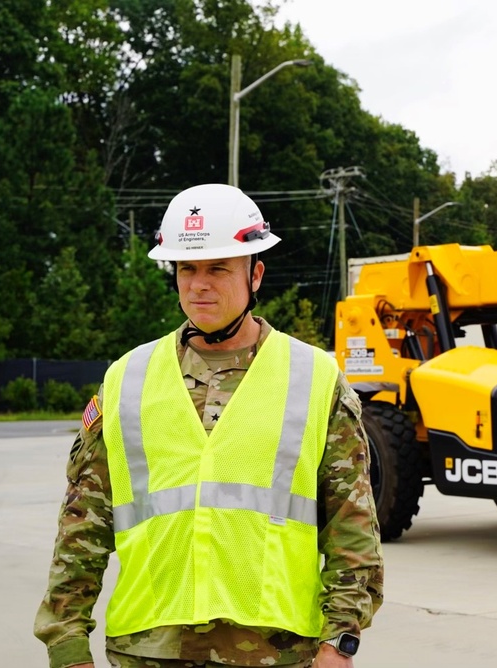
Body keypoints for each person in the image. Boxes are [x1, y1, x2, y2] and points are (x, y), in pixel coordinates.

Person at [34, 184, 383, 668]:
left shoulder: (315, 379)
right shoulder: (127, 378)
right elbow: (82, 523)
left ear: (255, 273)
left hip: (275, 651)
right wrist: (67, 642)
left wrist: (339, 641)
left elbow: (352, 525)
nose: (199, 284)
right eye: (187, 269)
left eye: (218, 268)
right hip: (147, 649)